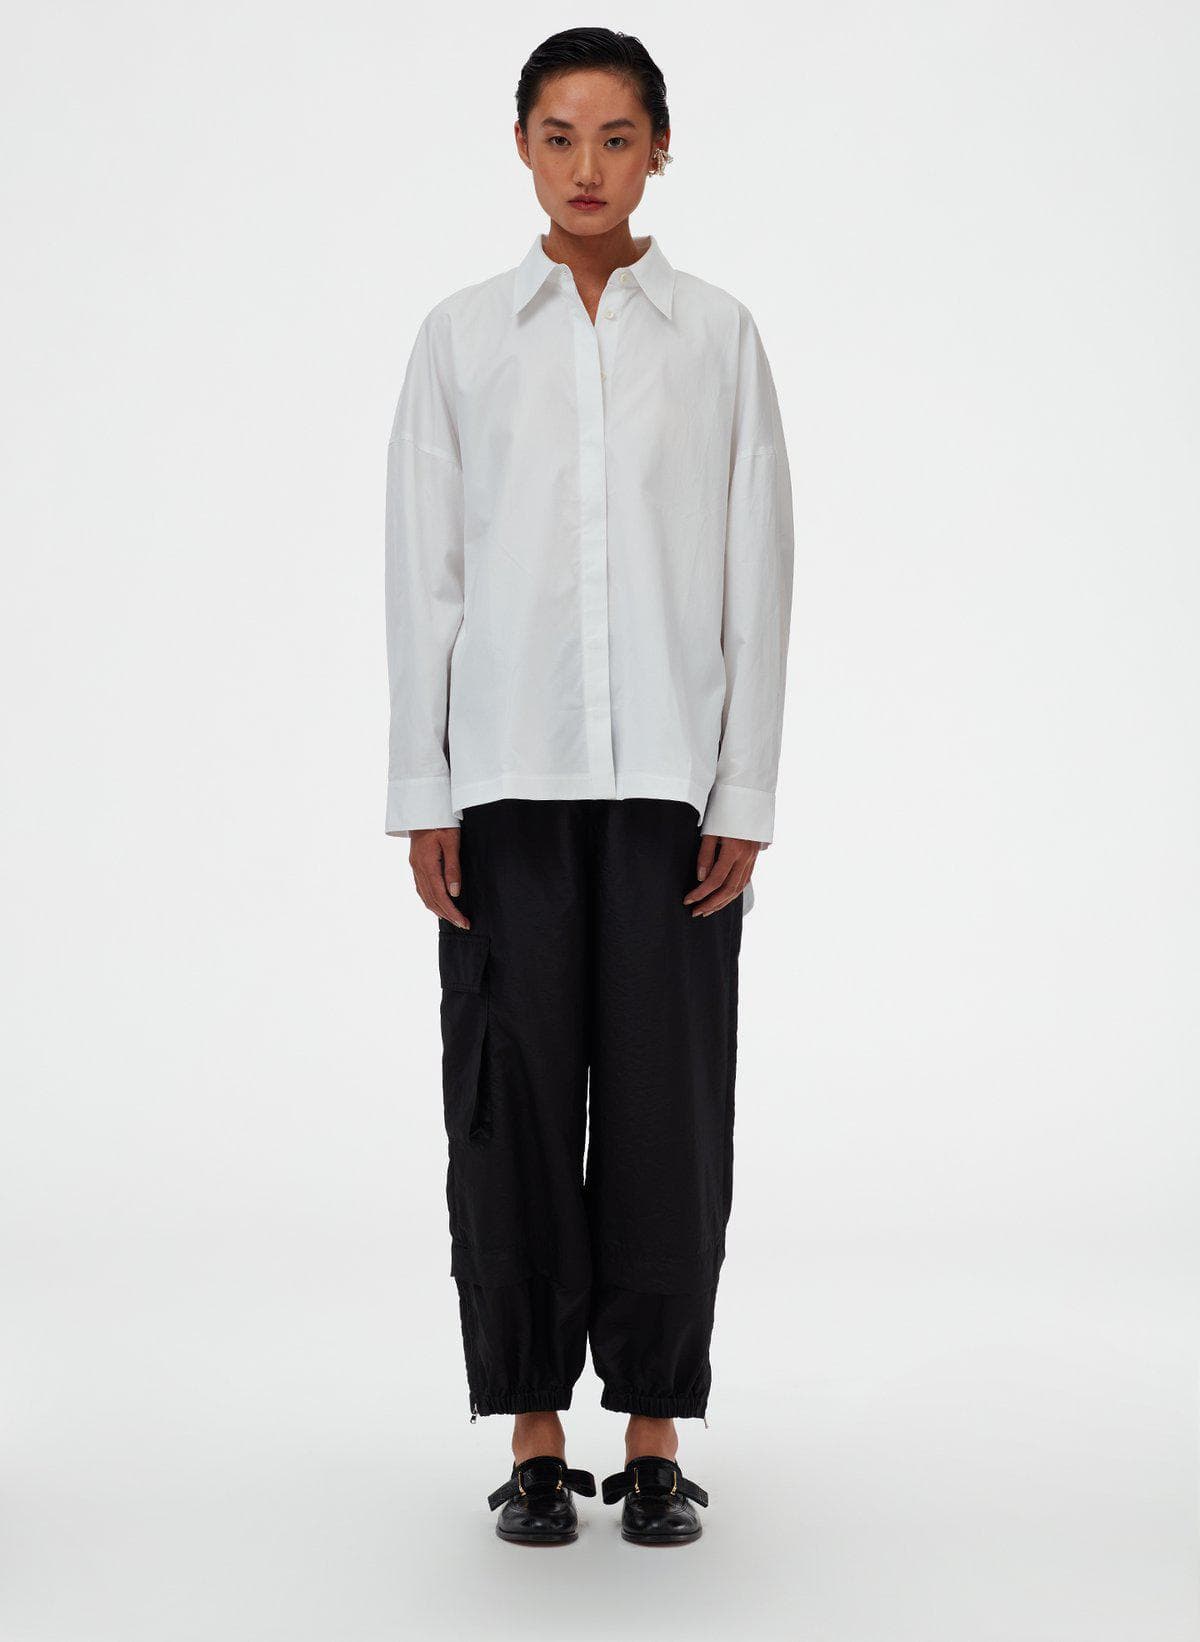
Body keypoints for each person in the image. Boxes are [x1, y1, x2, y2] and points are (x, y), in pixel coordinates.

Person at [383, 26, 794, 1547]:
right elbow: (423, 574)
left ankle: (656, 1431)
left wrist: (743, 788)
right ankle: (537, 1433)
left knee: (670, 1106)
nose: (587, 167)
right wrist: (424, 784)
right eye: (559, 136)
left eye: (617, 137)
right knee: (510, 1098)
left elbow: (758, 570)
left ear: (660, 150)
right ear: (521, 147)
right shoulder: (461, 339)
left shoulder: (719, 338)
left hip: (674, 788)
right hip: (505, 776)